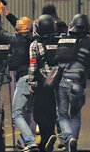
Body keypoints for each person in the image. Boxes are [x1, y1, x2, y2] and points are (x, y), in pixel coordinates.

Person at [0, 0, 37, 152]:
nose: (17, 21)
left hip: (24, 80)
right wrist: (6, 13)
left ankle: (30, 141)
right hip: (35, 80)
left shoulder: (15, 39)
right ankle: (22, 141)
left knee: (17, 113)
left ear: (24, 27)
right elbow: (18, 24)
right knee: (28, 111)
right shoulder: (33, 38)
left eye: (20, 21)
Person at [55, 14, 90, 152]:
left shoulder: (63, 40)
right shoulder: (88, 43)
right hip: (77, 84)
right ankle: (73, 141)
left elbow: (55, 60)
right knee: (75, 115)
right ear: (87, 28)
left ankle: (68, 138)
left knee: (62, 115)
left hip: (62, 83)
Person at [28, 14, 60, 152]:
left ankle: (49, 134)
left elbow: (33, 66)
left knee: (38, 114)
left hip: (42, 82)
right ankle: (46, 142)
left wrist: (31, 82)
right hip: (56, 81)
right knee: (51, 113)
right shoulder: (59, 41)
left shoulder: (35, 44)